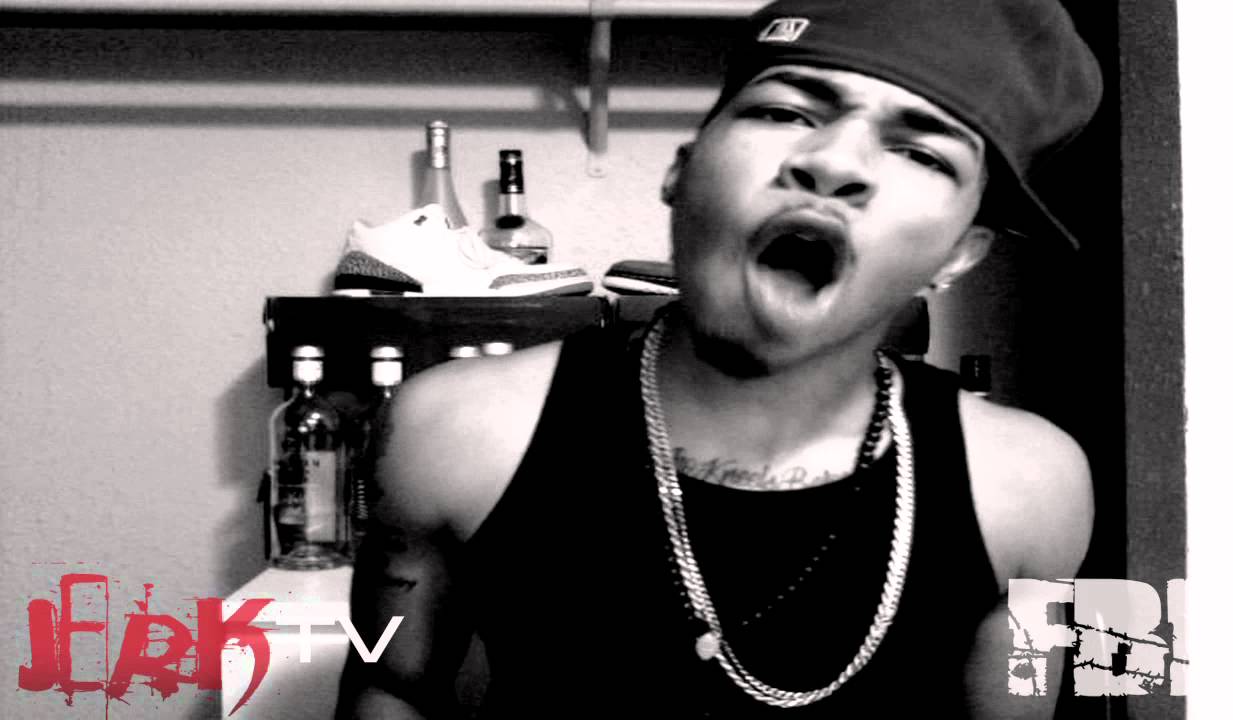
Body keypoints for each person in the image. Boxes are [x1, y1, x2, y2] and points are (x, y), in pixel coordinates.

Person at [336, 0, 1102, 716]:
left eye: (922, 152)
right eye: (783, 111)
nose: (834, 161)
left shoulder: (1042, 486)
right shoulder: (448, 431)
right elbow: (389, 684)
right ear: (681, 169)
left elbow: (1049, 701)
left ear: (961, 254)